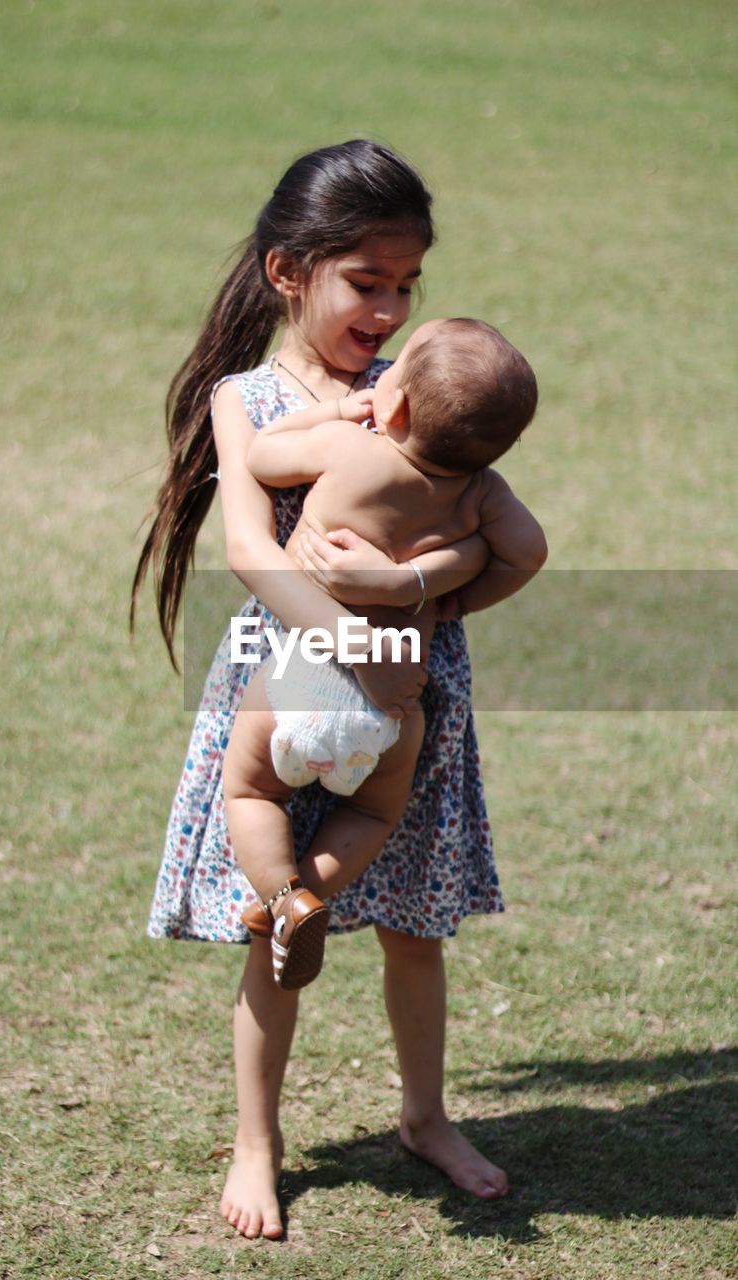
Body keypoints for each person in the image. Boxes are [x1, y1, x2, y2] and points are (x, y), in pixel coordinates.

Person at [133, 140, 531, 1240]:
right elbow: (254, 554)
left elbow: (488, 537)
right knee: (276, 915)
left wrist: (405, 583)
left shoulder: (424, 389)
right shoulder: (248, 400)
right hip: (296, 676)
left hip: (407, 688)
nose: (391, 308)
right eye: (368, 282)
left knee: (414, 926)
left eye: (407, 284)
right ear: (287, 272)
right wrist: (360, 646)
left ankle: (424, 1114)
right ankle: (257, 1141)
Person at [223, 317, 545, 993]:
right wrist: (458, 598)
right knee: (371, 814)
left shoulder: (346, 447)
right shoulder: (481, 492)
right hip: (393, 704)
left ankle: (285, 898)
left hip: (301, 675)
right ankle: (308, 893)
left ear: (391, 406)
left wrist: (337, 411)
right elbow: (527, 553)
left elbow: (260, 458)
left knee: (250, 789)